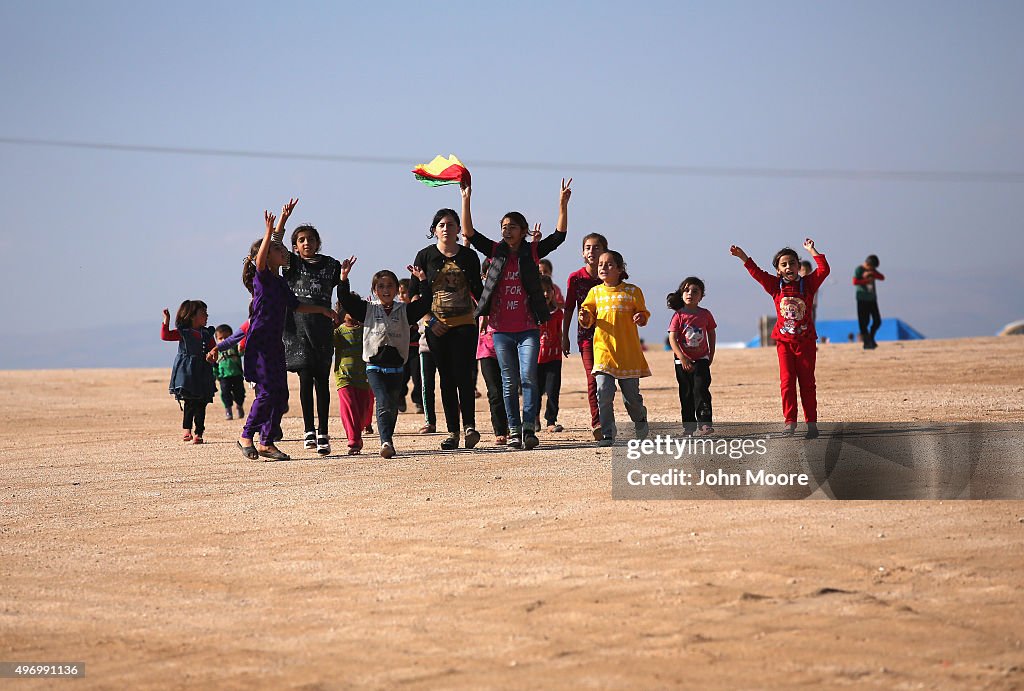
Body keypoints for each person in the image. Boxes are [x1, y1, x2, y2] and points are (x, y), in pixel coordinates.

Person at [461, 178, 572, 450]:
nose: (506, 230)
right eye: (503, 227)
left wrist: (562, 205)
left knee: (528, 378)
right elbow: (470, 233)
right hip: (500, 330)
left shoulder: (532, 250)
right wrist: (466, 198)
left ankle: (529, 429)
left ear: (523, 231)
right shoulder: (495, 251)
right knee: (509, 381)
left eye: (511, 227)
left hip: (528, 328)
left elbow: (559, 237)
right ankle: (513, 431)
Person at [237, 211, 337, 461]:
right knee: (268, 392)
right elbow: (261, 260)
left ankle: (266, 442)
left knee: (281, 394)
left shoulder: (281, 283)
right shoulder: (262, 279)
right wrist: (271, 230)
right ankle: (246, 435)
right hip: (259, 344)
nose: (284, 252)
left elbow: (297, 305)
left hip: (276, 344)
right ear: (268, 256)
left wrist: (323, 310)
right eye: (277, 250)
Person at [730, 239, 829, 439]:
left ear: (799, 267)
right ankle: (790, 423)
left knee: (808, 383)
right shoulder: (775, 286)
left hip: (806, 343)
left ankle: (811, 424)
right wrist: (743, 257)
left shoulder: (808, 284)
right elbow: (757, 273)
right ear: (778, 270)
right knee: (787, 382)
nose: (788, 267)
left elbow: (824, 269)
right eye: (783, 264)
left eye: (792, 263)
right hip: (784, 343)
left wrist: (812, 250)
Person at [336, 256, 432, 458]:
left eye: (390, 285)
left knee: (392, 404)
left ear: (397, 289)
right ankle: (385, 442)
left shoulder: (405, 310)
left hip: (397, 367)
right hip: (374, 367)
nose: (386, 290)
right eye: (381, 286)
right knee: (382, 400)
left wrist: (423, 281)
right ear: (374, 290)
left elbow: (425, 304)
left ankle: (388, 436)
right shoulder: (368, 309)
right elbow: (345, 300)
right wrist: (343, 279)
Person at [409, 207, 484, 450]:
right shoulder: (424, 256)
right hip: (436, 327)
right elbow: (414, 297)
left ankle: (470, 427)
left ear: (458, 230)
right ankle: (452, 432)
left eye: (451, 224)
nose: (446, 228)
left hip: (465, 325)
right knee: (446, 379)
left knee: (465, 376)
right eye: (441, 225)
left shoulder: (469, 257)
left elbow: (481, 293)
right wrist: (430, 321)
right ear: (433, 230)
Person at [274, 199, 342, 456]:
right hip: (296, 331)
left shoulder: (331, 265)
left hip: (322, 330)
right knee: (304, 380)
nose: (306, 243)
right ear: (295, 246)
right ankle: (308, 431)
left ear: (318, 243)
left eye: (310, 239)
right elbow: (274, 245)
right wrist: (283, 219)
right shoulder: (291, 265)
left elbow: (342, 292)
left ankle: (324, 433)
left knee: (322, 382)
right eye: (301, 240)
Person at [578, 251, 650, 447]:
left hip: (628, 354)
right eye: (601, 264)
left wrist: (641, 318)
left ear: (620, 269)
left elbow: (643, 314)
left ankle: (640, 420)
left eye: (609, 264)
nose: (603, 267)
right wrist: (585, 318)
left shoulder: (632, 291)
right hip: (603, 352)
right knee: (603, 391)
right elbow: (587, 317)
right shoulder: (595, 292)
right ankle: (608, 433)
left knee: (632, 400)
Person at [562, 233, 609, 440]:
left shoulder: (611, 277)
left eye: (597, 247)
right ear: (582, 253)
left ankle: (610, 420)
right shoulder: (576, 278)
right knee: (592, 380)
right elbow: (569, 308)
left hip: (610, 337)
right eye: (588, 247)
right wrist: (565, 336)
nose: (592, 251)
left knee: (609, 382)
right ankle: (597, 422)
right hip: (586, 337)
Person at [666, 277, 716, 436]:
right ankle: (688, 427)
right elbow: (672, 338)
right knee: (686, 393)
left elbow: (711, 333)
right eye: (686, 290)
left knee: (701, 390)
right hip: (682, 361)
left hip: (701, 359)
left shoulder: (705, 314)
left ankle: (705, 424)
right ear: (681, 294)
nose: (690, 294)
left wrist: (711, 354)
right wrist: (682, 358)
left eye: (695, 291)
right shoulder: (678, 316)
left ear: (701, 296)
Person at [161, 300, 217, 444]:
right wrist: (166, 321)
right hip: (187, 373)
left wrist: (213, 356)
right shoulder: (183, 333)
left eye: (206, 313)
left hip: (203, 372)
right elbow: (165, 336)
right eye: (203, 313)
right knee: (190, 401)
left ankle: (199, 433)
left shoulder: (207, 333)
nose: (206, 316)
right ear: (192, 316)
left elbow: (213, 349)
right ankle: (187, 430)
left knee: (201, 403)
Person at [332, 298, 374, 455]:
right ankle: (353, 441)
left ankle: (358, 430)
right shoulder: (338, 332)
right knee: (349, 408)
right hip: (344, 377)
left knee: (363, 409)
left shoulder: (365, 330)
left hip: (363, 377)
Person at [536, 275, 564, 433]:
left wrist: (563, 344)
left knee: (553, 390)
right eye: (541, 291)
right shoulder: (531, 313)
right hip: (536, 359)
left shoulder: (557, 313)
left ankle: (551, 421)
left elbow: (559, 332)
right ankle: (534, 420)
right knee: (535, 391)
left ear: (553, 292)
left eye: (548, 290)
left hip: (554, 357)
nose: (545, 294)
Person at [397, 279, 423, 415]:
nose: (401, 296)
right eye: (399, 293)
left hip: (416, 349)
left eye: (404, 293)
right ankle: (400, 398)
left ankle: (419, 402)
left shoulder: (417, 309)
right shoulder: (397, 310)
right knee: (402, 376)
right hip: (402, 349)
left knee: (418, 377)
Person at [213, 324, 246, 420]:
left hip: (237, 375)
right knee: (225, 394)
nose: (224, 340)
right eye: (220, 338)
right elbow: (214, 365)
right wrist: (215, 375)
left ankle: (239, 405)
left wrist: (242, 348)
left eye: (227, 338)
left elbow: (241, 353)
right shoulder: (216, 351)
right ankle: (228, 410)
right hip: (223, 377)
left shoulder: (235, 348)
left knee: (239, 393)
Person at [853, 254, 885, 349]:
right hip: (862, 299)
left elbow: (882, 277)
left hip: (872, 299)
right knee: (863, 322)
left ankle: (871, 337)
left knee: (877, 321)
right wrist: (865, 279)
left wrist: (873, 274)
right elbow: (854, 282)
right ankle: (867, 343)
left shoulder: (872, 271)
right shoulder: (859, 269)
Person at [416, 316, 437, 434]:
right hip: (426, 347)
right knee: (427, 385)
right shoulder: (421, 298)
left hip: (449, 345)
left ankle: (455, 424)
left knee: (450, 383)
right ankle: (430, 422)